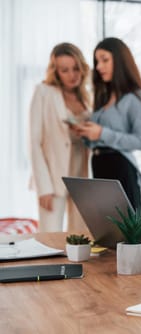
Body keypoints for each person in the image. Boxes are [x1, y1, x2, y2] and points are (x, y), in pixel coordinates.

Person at [75, 37, 141, 215]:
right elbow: (100, 140)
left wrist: (101, 133)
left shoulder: (135, 98)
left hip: (121, 169)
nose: (99, 66)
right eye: (97, 61)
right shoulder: (103, 98)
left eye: (105, 60)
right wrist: (87, 134)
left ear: (120, 60)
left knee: (124, 236)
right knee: (104, 232)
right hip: (99, 165)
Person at [29, 42, 91, 232]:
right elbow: (35, 142)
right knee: (50, 238)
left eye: (75, 69)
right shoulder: (43, 92)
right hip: (53, 176)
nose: (72, 75)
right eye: (65, 70)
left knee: (82, 239)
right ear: (55, 71)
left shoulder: (88, 96)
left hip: (82, 175)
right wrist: (43, 187)